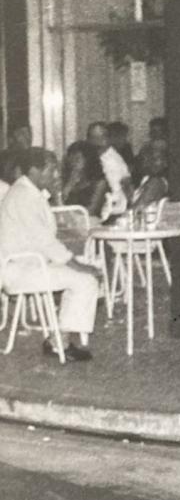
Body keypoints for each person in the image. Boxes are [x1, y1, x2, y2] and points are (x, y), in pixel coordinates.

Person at [0, 148, 99, 361]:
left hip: (29, 265)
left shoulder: (28, 192)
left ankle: (59, 338)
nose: (56, 174)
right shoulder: (24, 196)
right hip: (21, 270)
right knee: (86, 280)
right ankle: (59, 341)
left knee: (84, 274)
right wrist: (78, 265)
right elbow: (46, 243)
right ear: (34, 170)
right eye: (51, 169)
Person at [87, 122, 132, 218]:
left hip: (113, 208)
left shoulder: (114, 159)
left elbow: (127, 185)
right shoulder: (91, 157)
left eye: (101, 136)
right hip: (97, 204)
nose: (96, 141)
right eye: (92, 137)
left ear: (107, 138)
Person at [61, 141, 109, 217]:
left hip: (90, 222)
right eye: (71, 160)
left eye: (77, 160)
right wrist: (68, 186)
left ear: (89, 160)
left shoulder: (100, 182)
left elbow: (91, 211)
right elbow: (59, 206)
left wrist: (70, 215)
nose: (73, 164)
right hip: (68, 222)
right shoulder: (65, 179)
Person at [131, 138, 169, 210]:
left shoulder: (156, 183)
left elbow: (137, 208)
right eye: (145, 159)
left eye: (155, 159)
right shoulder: (145, 180)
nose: (149, 163)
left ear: (165, 162)